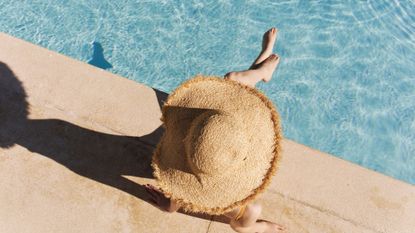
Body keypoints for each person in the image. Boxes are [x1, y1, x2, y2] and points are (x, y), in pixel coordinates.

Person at [145, 28, 286, 233]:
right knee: (234, 94)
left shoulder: (192, 161)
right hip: (225, 168)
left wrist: (168, 207)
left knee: (232, 93)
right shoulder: (248, 209)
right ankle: (261, 70)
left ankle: (261, 69)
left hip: (203, 151)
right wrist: (261, 227)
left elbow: (177, 195)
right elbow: (241, 228)